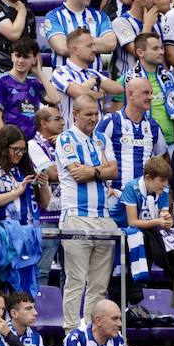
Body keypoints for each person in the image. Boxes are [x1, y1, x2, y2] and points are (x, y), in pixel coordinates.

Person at [56, 96, 118, 332]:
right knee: (76, 281)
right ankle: (72, 332)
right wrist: (102, 171)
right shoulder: (66, 139)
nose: (94, 119)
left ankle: (93, 331)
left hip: (103, 217)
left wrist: (92, 170)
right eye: (88, 114)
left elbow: (114, 171)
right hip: (76, 216)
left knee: (99, 284)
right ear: (75, 115)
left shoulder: (102, 138)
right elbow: (77, 175)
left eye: (96, 114)